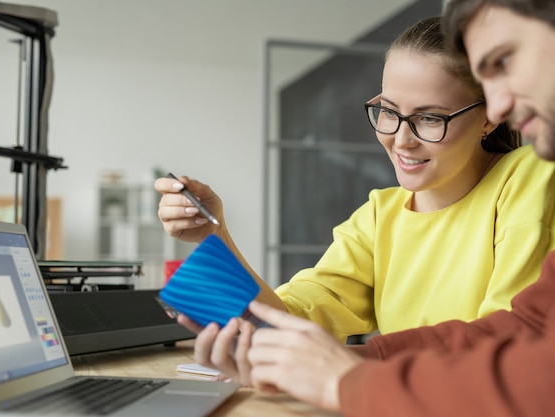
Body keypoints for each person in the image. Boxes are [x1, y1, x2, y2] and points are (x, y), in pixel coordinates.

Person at [179, 2, 555, 416]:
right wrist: (213, 237)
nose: (401, 140)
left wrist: (347, 375)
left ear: (488, 117)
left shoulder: (530, 175)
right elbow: (291, 320)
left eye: (430, 118)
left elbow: (513, 341)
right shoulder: (380, 214)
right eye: (389, 112)